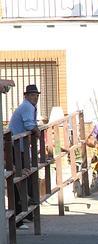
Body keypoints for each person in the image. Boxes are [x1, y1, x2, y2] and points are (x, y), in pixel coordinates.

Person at [8, 84, 41, 229]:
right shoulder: (27, 106)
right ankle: (17, 219)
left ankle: (25, 213)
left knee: (25, 179)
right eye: (33, 95)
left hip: (20, 148)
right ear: (26, 95)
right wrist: (37, 132)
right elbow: (29, 125)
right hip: (16, 148)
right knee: (18, 181)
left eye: (37, 95)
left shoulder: (29, 106)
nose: (36, 97)